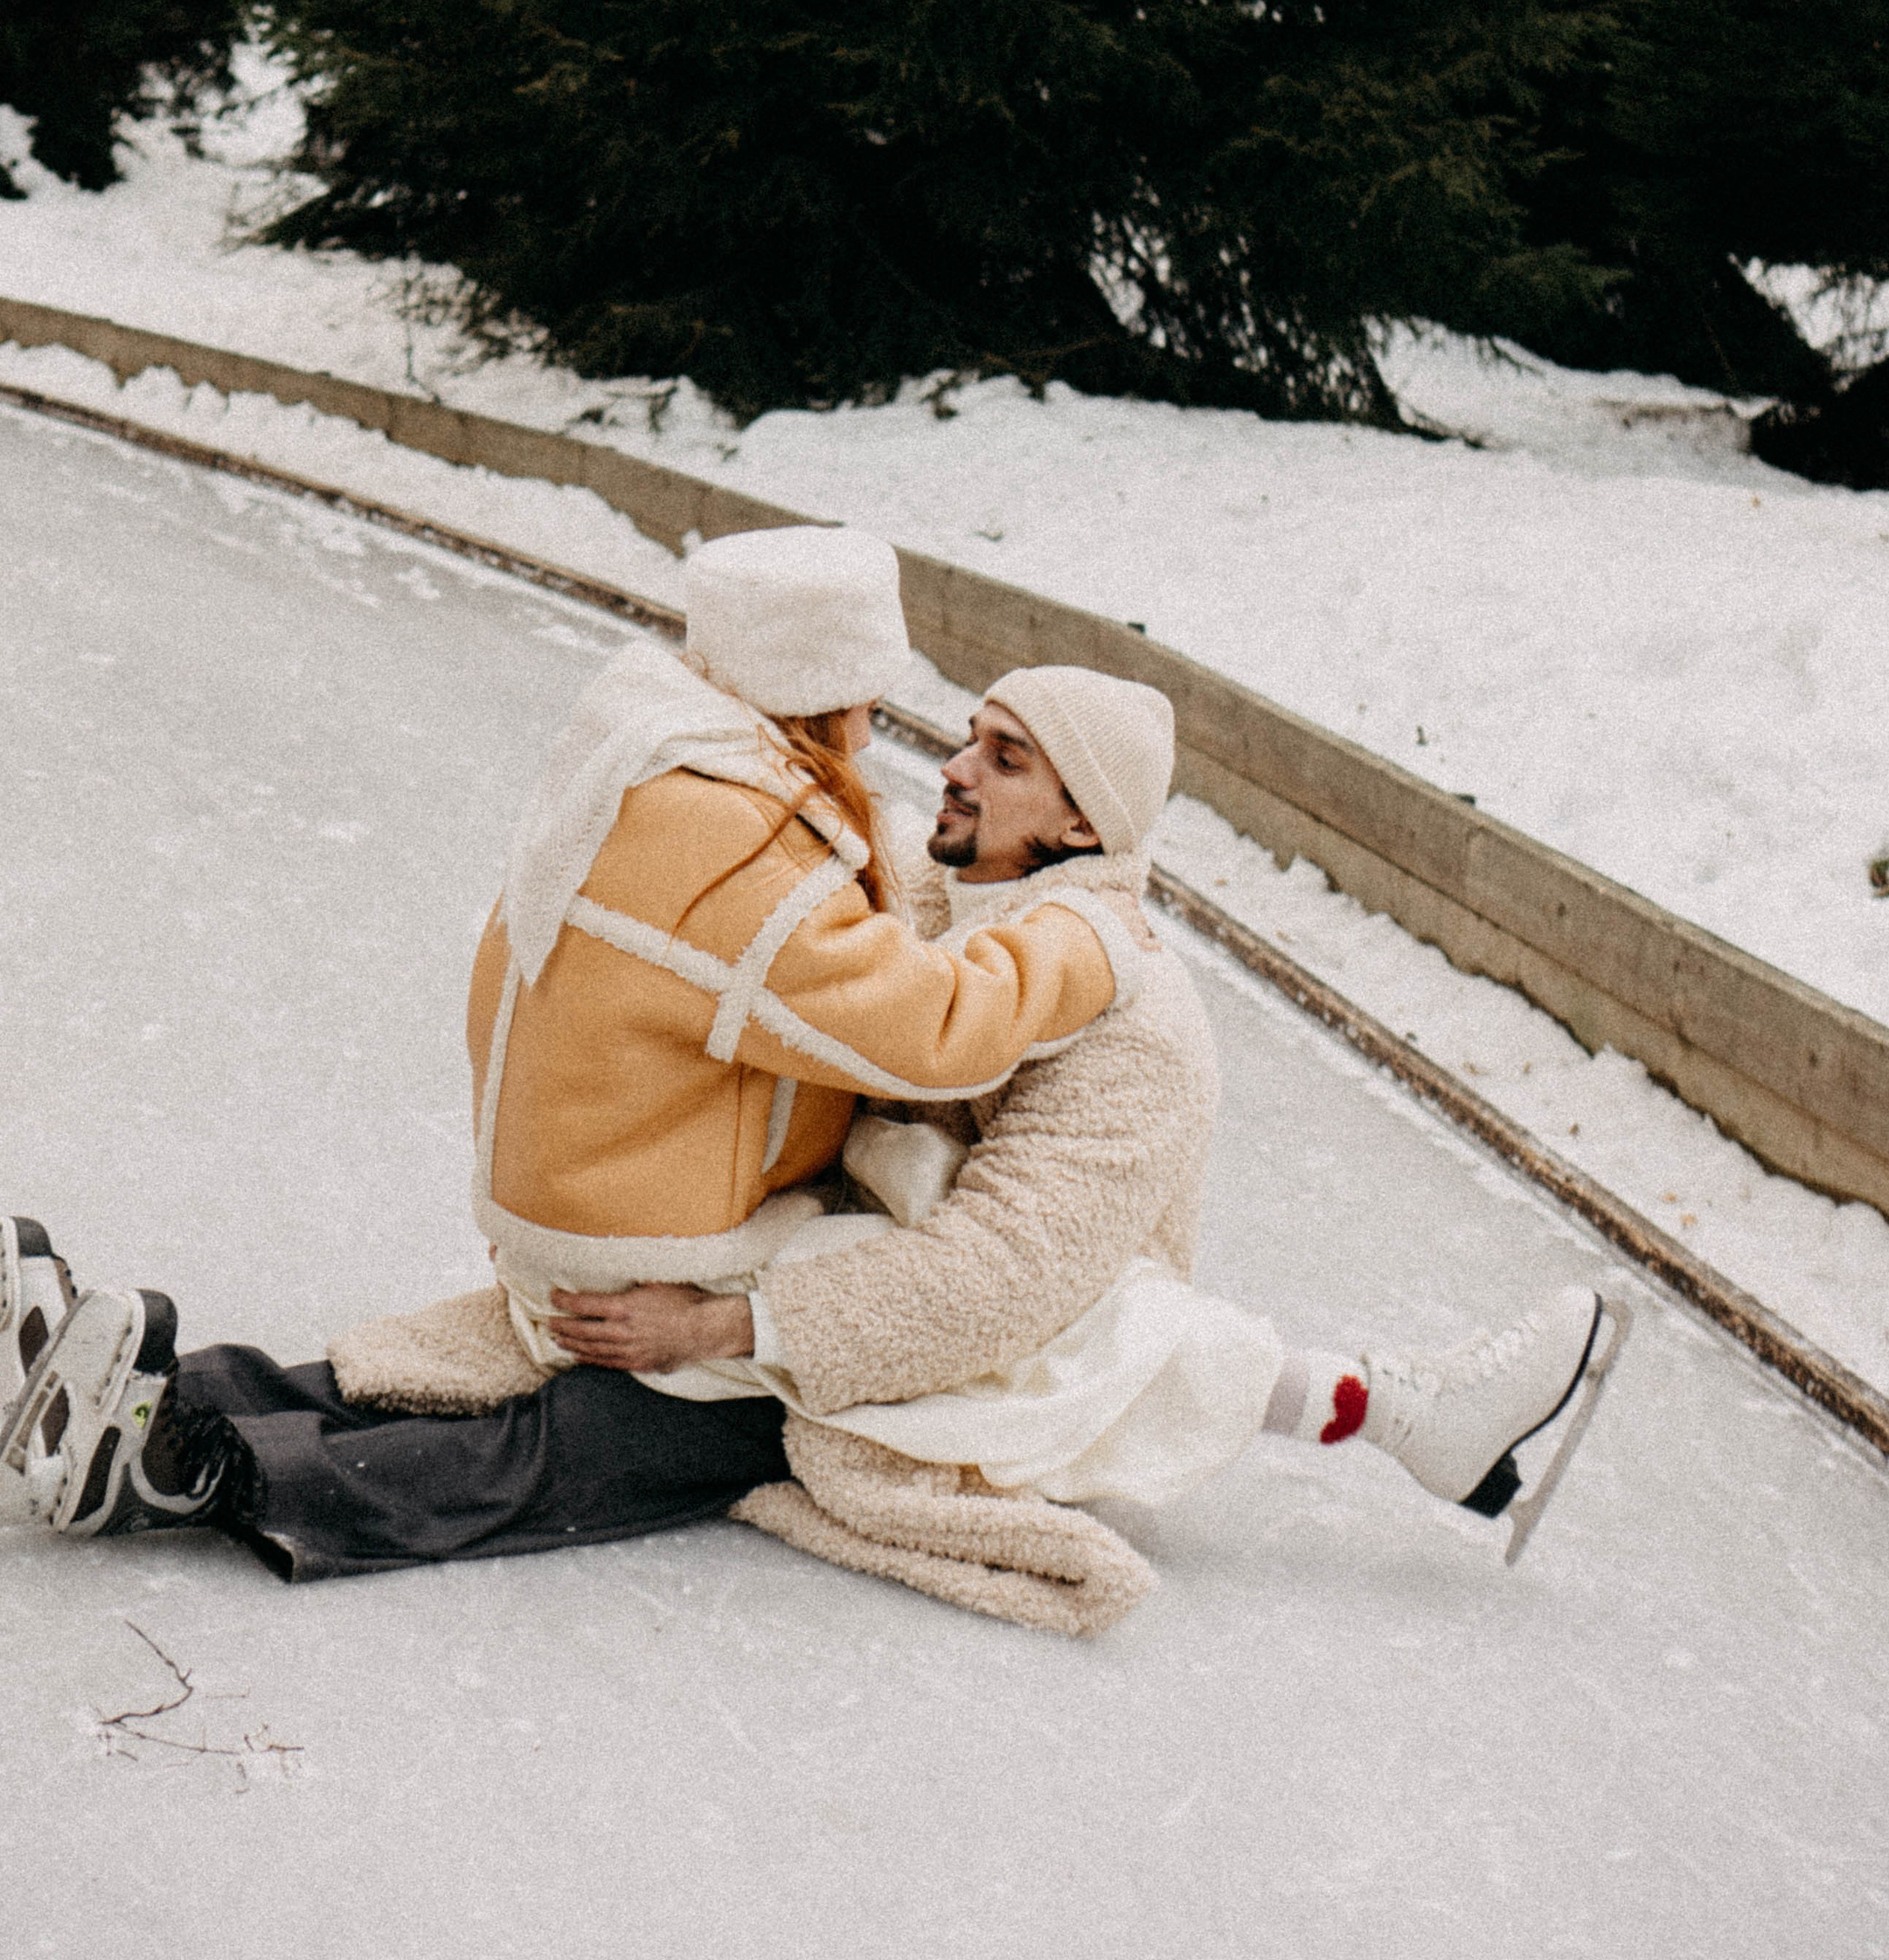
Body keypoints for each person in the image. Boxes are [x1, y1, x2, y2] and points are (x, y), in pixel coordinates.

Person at [1, 637, 1623, 1628]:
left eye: (1003, 755)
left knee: (577, 1433)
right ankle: (129, 1382)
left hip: (895, 1362)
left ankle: (182, 1471)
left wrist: (730, 1320)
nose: (952, 768)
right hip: (798, 1276)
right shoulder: (948, 899)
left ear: (1081, 818)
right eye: (963, 735)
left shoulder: (1134, 1022)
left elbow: (999, 1281)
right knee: (488, 1340)